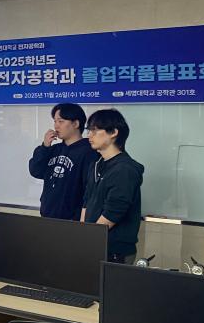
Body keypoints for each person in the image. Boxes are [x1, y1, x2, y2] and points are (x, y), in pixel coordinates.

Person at [81, 108, 144, 264]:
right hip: (92, 242)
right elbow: (87, 201)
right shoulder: (96, 164)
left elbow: (114, 211)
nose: (89, 135)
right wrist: (82, 234)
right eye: (89, 131)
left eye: (95, 130)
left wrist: (89, 238)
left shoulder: (125, 168)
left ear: (113, 132)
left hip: (114, 250)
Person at [28, 103, 99, 220]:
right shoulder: (53, 149)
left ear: (76, 124)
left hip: (73, 220)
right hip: (47, 215)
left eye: (60, 121)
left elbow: (90, 189)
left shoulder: (89, 151)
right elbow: (36, 171)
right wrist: (45, 146)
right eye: (55, 121)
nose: (56, 126)